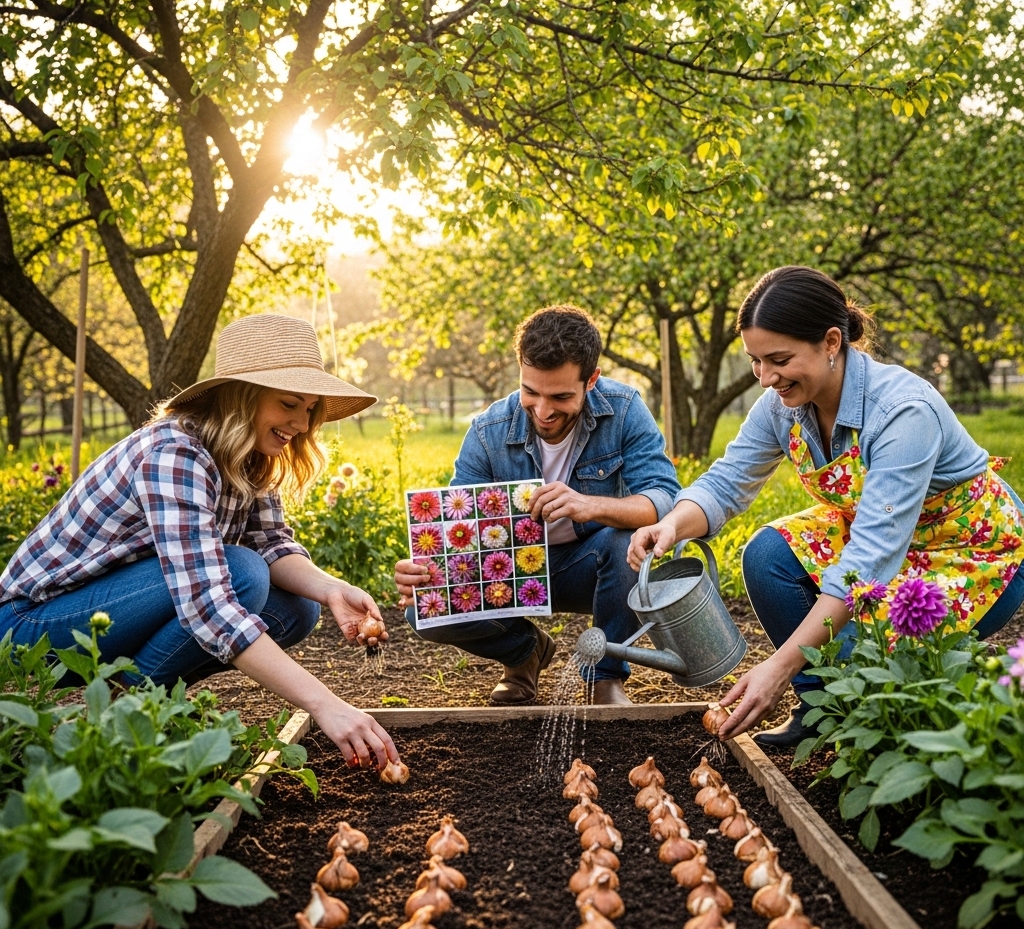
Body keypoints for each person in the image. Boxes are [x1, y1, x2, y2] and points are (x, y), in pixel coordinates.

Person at [628, 266, 1024, 748]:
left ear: (832, 342)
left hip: (971, 553)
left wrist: (779, 666)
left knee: (880, 669)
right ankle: (821, 709)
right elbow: (728, 482)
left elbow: (869, 563)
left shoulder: (903, 412)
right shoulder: (783, 404)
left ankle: (881, 722)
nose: (765, 377)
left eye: (779, 359)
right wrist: (671, 525)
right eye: (755, 361)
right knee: (768, 556)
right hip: (879, 536)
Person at [0, 314, 399, 770]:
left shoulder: (253, 457)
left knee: (297, 608)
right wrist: (326, 704)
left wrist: (331, 590)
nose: (301, 423)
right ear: (241, 397)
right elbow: (208, 604)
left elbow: (272, 545)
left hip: (117, 611)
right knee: (242, 574)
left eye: (309, 408)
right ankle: (116, 722)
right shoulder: (175, 453)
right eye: (289, 403)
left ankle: (124, 708)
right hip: (31, 624)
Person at [394, 304, 681, 706]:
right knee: (422, 612)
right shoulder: (487, 431)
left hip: (595, 568)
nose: (544, 411)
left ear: (591, 380)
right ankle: (523, 652)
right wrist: (426, 571)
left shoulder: (625, 409)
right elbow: (459, 530)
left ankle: (605, 677)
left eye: (561, 396)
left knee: (627, 540)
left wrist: (588, 505)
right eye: (531, 392)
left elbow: (663, 497)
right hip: (507, 574)